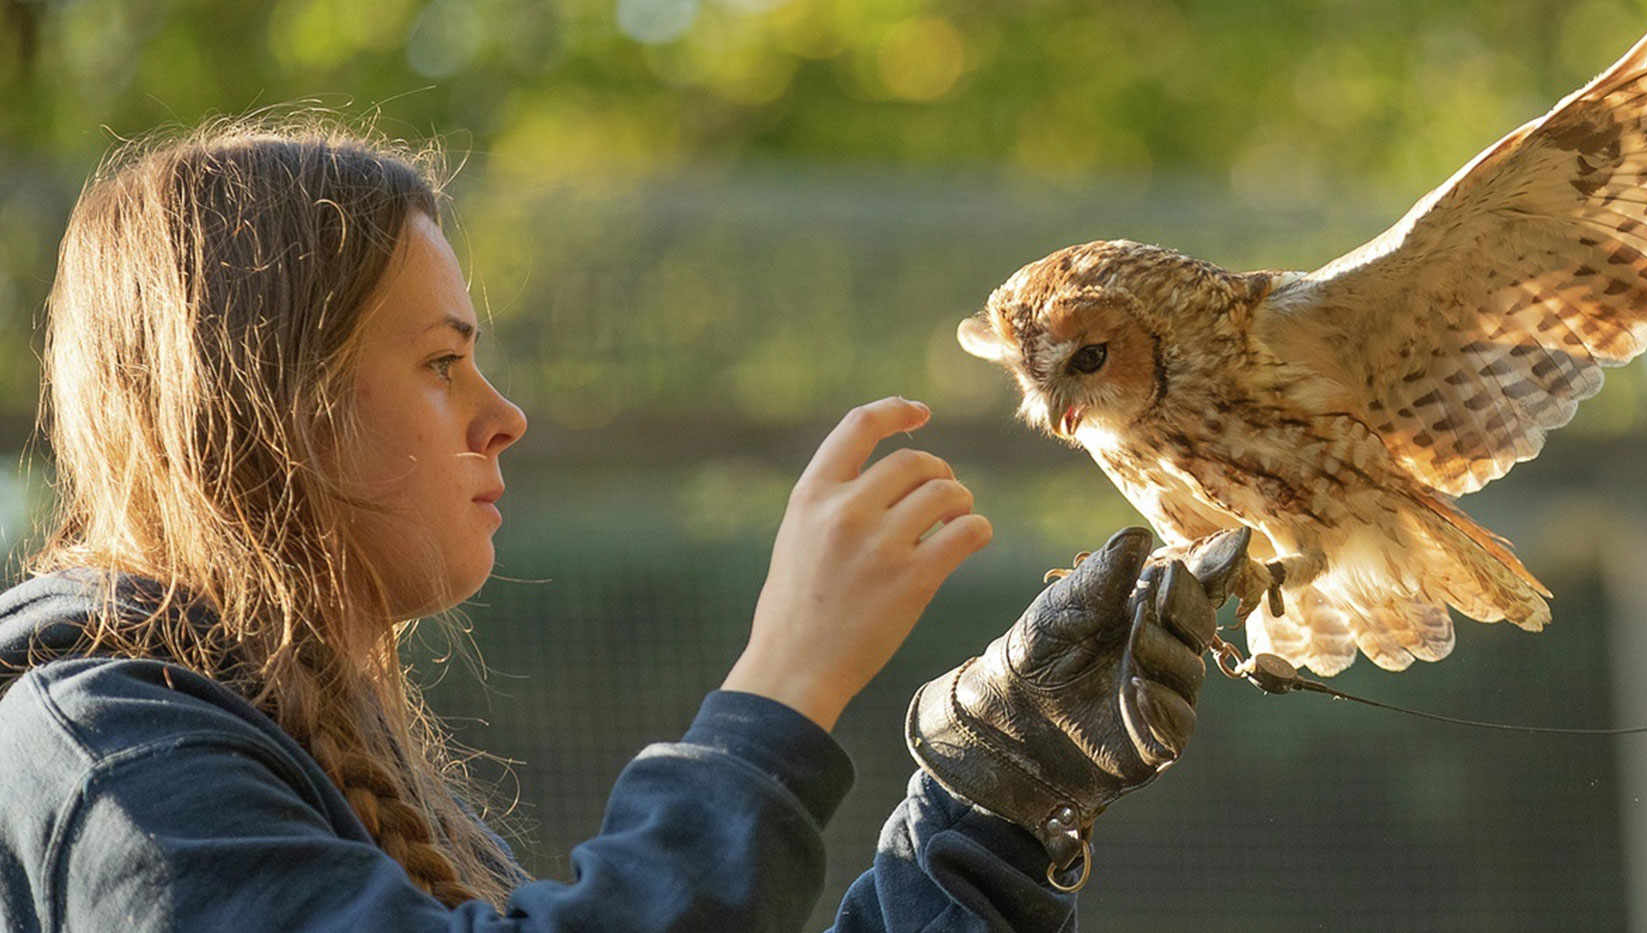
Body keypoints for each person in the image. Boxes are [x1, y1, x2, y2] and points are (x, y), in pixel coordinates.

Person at [0, 118, 1229, 931]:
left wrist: (989, 810)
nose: (506, 416)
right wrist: (781, 688)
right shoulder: (106, 750)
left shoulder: (318, 760)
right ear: (270, 402)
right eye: (442, 362)